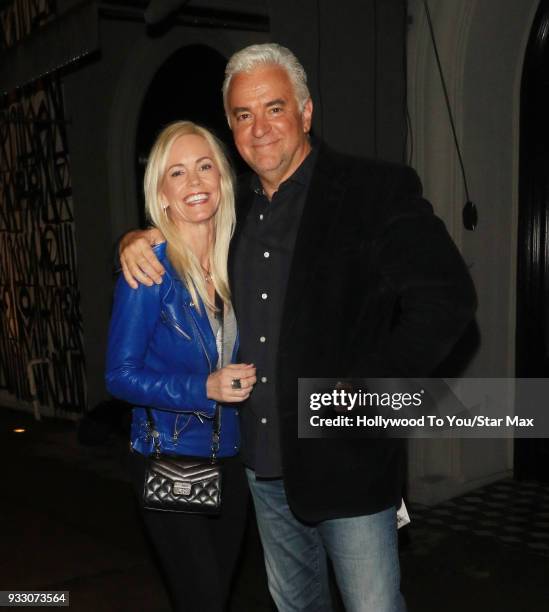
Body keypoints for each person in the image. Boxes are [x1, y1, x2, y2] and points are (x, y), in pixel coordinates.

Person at [119, 44, 477, 612]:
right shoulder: (228, 209)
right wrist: (134, 239)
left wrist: (364, 395)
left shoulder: (372, 190)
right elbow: (175, 230)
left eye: (275, 108)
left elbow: (448, 301)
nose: (259, 129)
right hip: (261, 469)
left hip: (348, 465)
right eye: (242, 115)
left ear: (306, 113)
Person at [105, 120, 256, 612]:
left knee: (216, 594)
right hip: (169, 456)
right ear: (162, 194)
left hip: (232, 456)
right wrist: (203, 387)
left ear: (223, 178)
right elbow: (119, 376)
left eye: (204, 166)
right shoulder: (148, 269)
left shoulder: (244, 258)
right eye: (177, 173)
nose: (194, 182)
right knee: (203, 599)